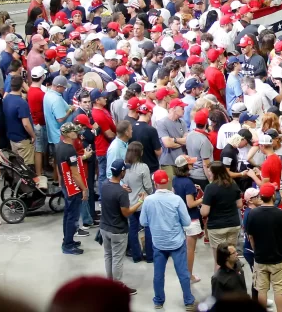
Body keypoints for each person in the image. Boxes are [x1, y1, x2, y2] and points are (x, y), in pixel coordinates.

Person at [142, 169, 195, 310]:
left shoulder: (148, 201)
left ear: (155, 183)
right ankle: (188, 301)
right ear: (168, 182)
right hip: (177, 242)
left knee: (158, 274)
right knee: (183, 273)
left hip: (159, 243)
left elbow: (143, 222)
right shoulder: (177, 199)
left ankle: (158, 301)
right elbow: (187, 222)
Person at [246, 183, 282, 312]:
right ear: (273, 195)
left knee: (261, 290)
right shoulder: (281, 214)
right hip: (279, 258)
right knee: (279, 290)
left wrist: (256, 251)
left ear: (261, 196)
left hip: (260, 258)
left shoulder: (252, 214)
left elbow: (250, 236)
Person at [100, 158, 145, 292]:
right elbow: (126, 213)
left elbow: (112, 191)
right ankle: (117, 287)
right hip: (118, 231)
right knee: (118, 259)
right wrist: (140, 201)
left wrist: (121, 187)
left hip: (104, 227)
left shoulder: (104, 185)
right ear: (122, 172)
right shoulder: (121, 193)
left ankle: (109, 283)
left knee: (108, 256)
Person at [201, 162, 243, 272]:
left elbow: (204, 212)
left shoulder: (210, 188)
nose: (208, 172)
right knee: (231, 256)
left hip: (217, 227)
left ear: (214, 172)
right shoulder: (233, 184)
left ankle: (220, 286)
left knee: (219, 260)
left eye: (209, 170)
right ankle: (234, 282)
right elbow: (239, 204)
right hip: (233, 225)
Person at [56, 122, 89, 255]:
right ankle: (68, 245)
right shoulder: (70, 150)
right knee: (73, 216)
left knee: (68, 214)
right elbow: (75, 173)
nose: (77, 133)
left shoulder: (59, 146)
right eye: (74, 131)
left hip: (65, 184)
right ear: (67, 134)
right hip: (72, 187)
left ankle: (68, 239)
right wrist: (84, 189)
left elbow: (59, 167)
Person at [172, 155, 204, 280]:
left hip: (180, 218)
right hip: (191, 219)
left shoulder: (175, 179)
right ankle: (189, 275)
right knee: (190, 250)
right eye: (191, 163)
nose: (193, 165)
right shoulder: (188, 182)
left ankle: (183, 273)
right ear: (187, 166)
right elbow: (190, 204)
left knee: (182, 249)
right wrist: (202, 199)